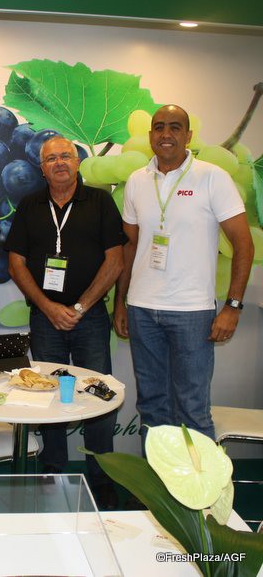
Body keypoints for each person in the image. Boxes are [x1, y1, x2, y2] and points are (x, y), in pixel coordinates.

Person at [114, 104, 254, 442]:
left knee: (192, 407)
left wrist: (233, 306)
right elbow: (130, 247)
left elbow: (244, 245)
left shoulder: (212, 177)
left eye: (175, 127)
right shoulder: (136, 181)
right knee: (152, 406)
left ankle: (196, 480)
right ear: (150, 135)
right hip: (142, 309)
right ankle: (155, 478)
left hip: (192, 312)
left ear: (188, 135)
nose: (166, 134)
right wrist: (121, 303)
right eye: (159, 127)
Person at [6, 137, 126, 510]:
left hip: (90, 318)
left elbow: (115, 260)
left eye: (65, 156)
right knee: (47, 394)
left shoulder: (100, 202)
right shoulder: (29, 205)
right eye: (51, 158)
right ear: (41, 168)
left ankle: (102, 477)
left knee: (98, 395)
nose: (59, 163)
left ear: (77, 162)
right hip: (45, 320)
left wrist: (79, 306)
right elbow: (16, 263)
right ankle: (53, 470)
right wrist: (47, 307)